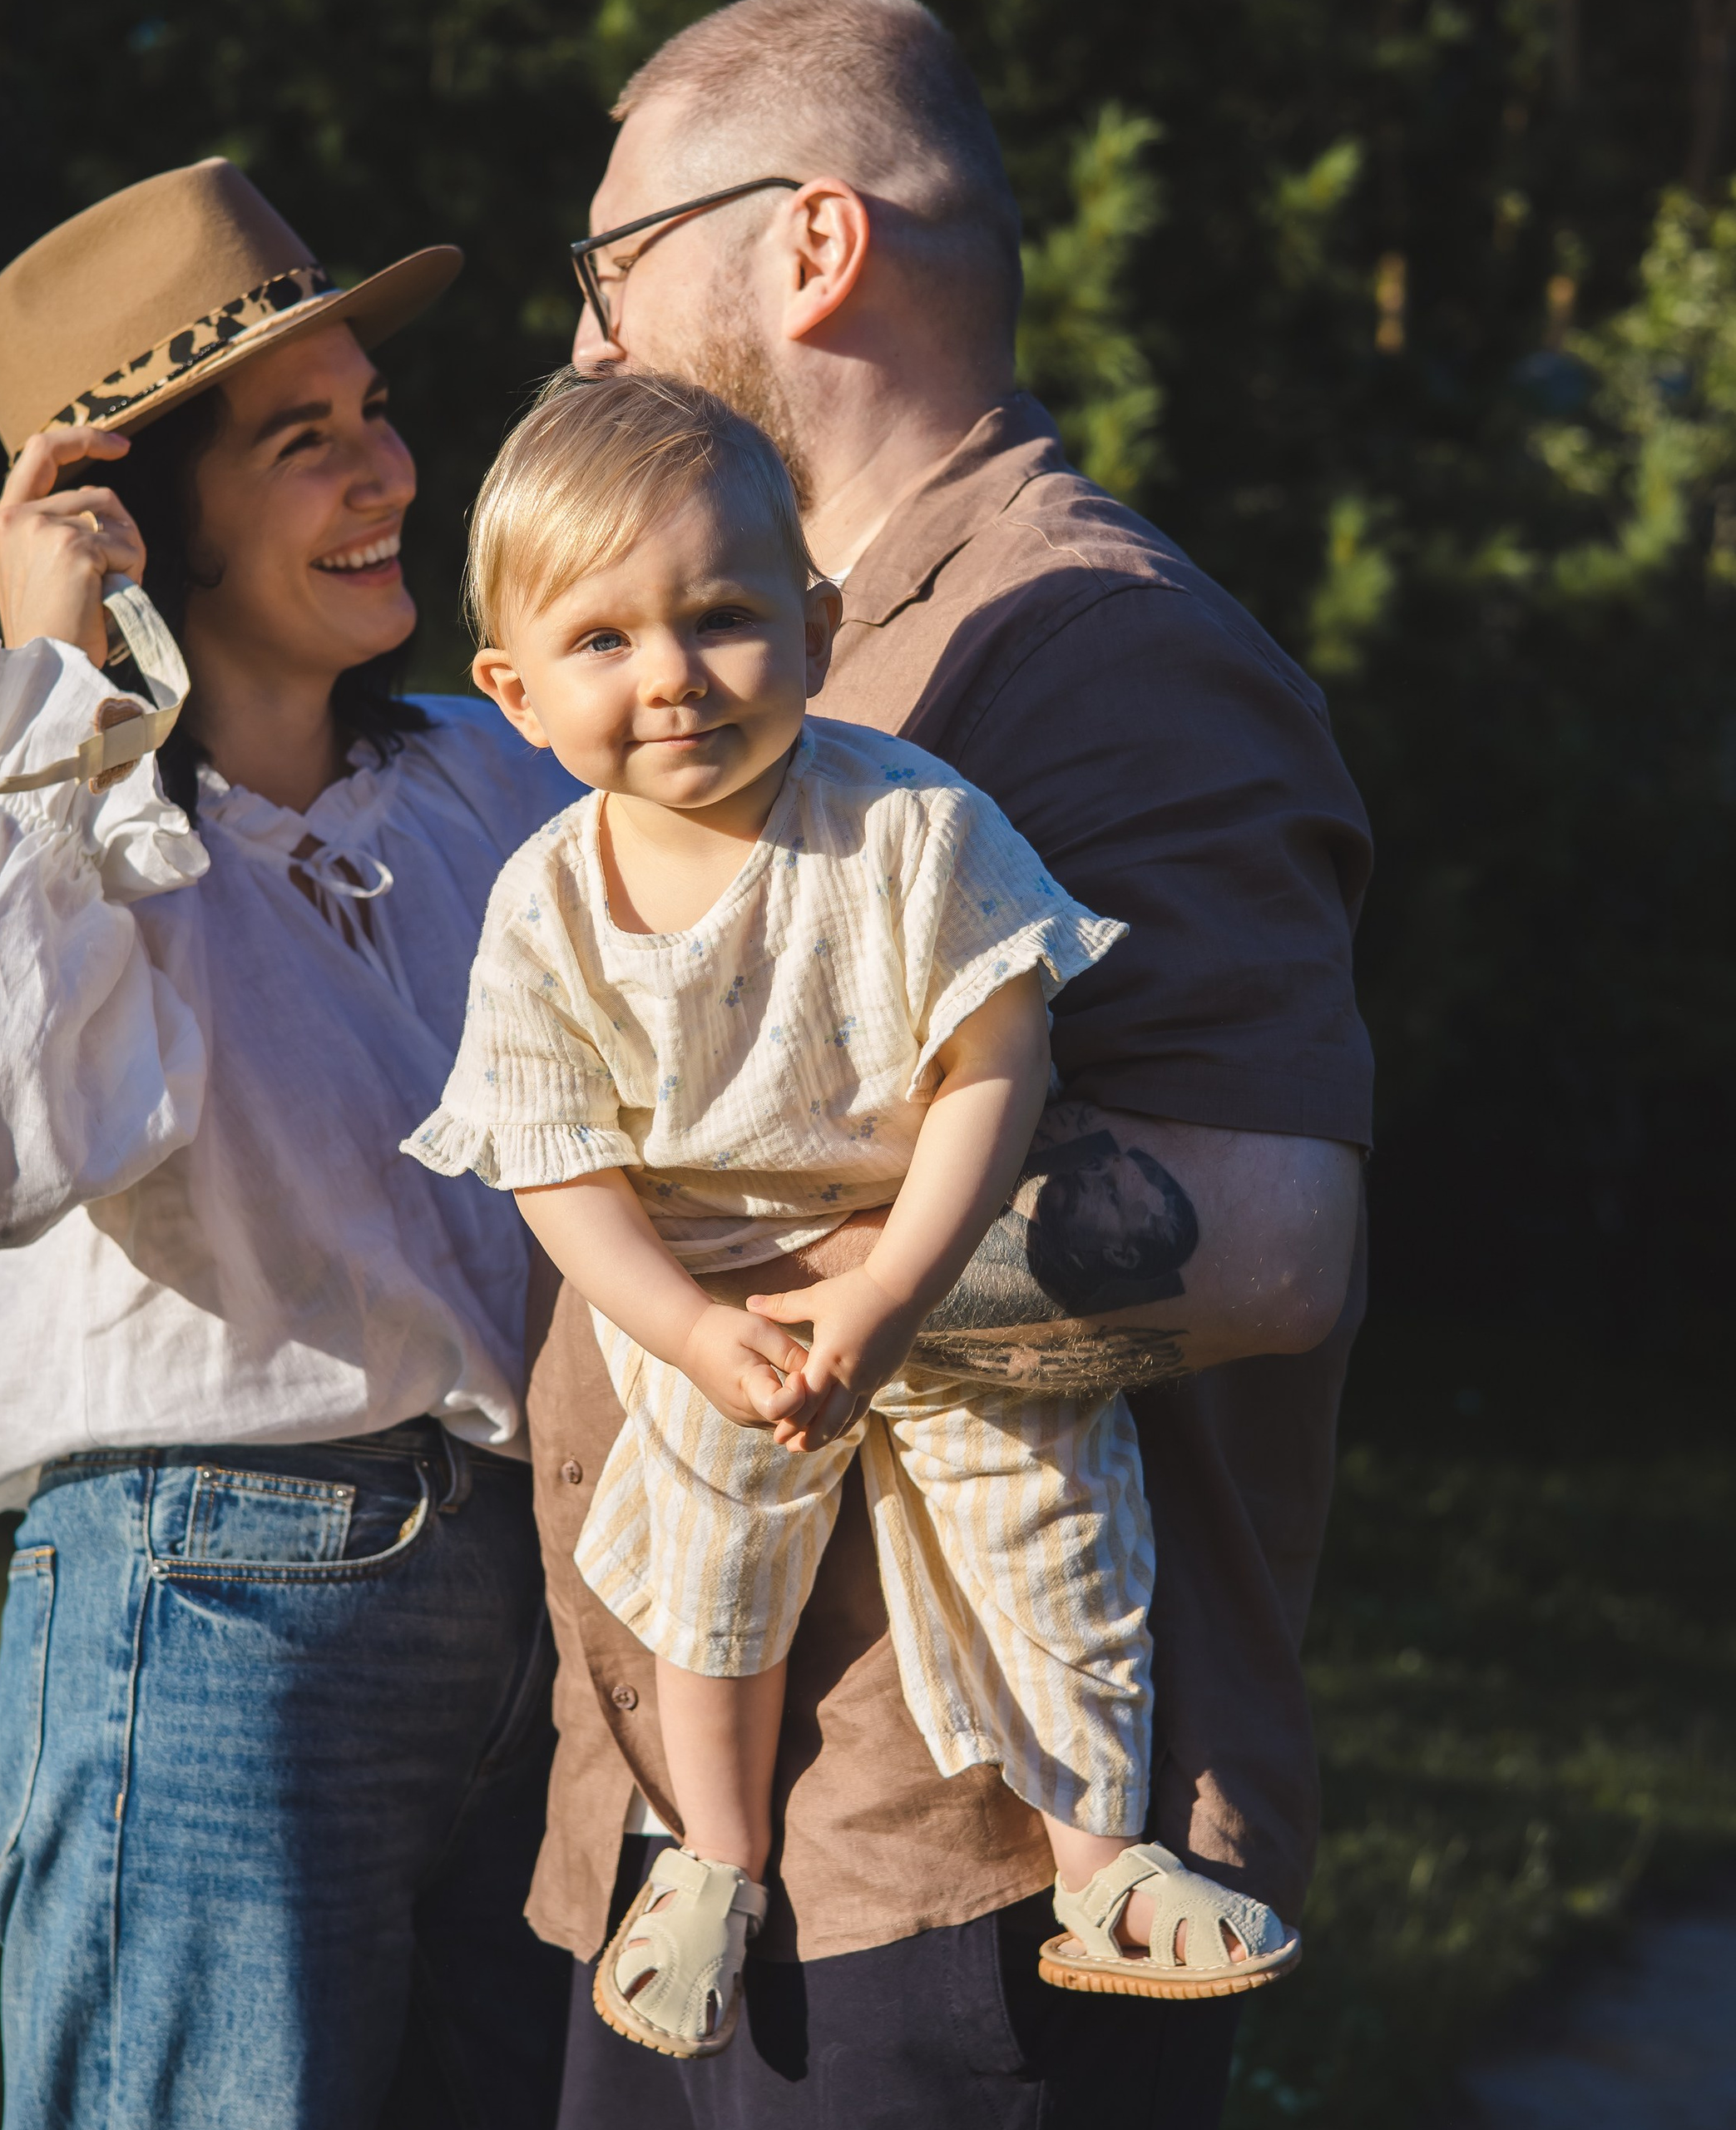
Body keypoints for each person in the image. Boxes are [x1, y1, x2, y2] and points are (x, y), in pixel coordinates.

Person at [527, 2, 1374, 2123]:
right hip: (733, 1841)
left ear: (809, 247)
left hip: (950, 1879)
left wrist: (767, 1308)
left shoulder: (1090, 649)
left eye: (609, 260)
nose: (584, 334)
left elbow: (1263, 1236)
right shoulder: (787, 639)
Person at [0, 159, 574, 2129]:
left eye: (376, 415)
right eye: (304, 442)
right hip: (219, 1605)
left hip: (535, 1601)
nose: (386, 476)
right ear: (138, 515)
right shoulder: (57, 829)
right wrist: (49, 687)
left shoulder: (483, 781)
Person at [408, 368, 1298, 2058]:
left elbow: (994, 1056)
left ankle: (1102, 1862)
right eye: (602, 643)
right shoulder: (544, 900)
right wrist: (679, 1323)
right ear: (514, 694)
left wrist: (899, 1283)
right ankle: (714, 1856)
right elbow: (546, 1152)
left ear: (815, 626)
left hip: (930, 1255)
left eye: (723, 616)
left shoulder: (899, 820)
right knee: (708, 1551)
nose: (669, 673)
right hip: (710, 1293)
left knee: (1051, 1519)